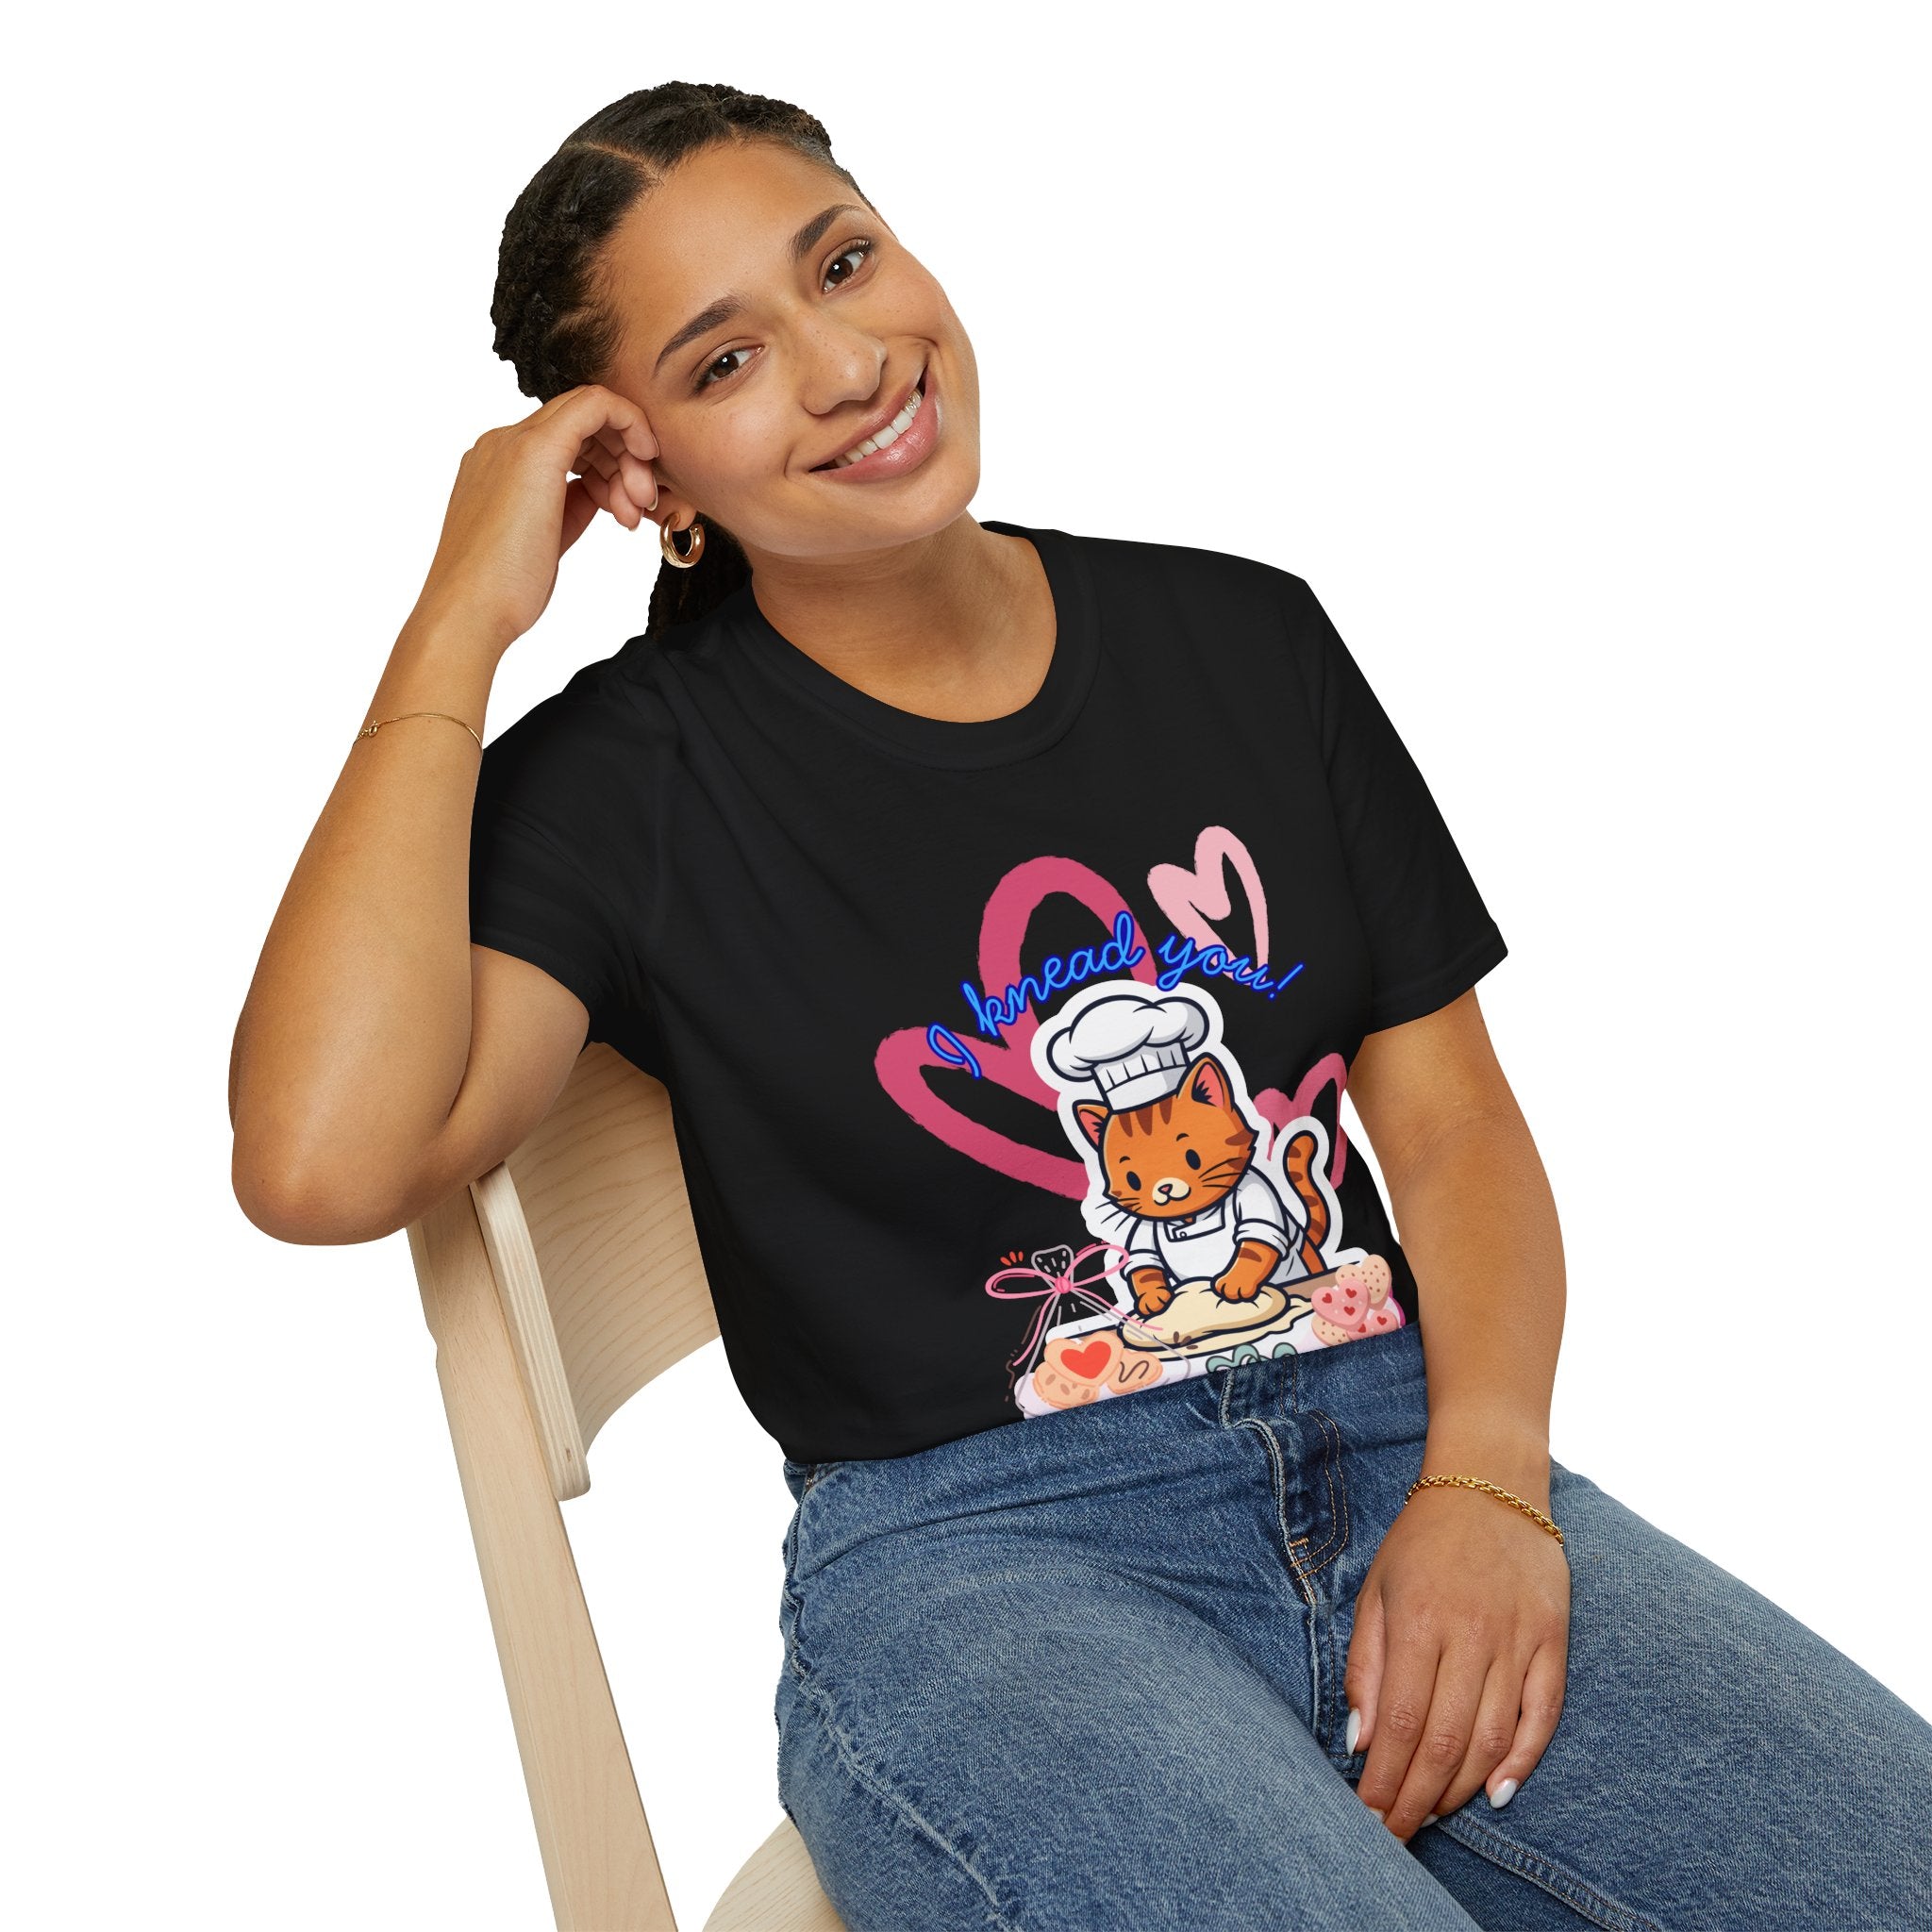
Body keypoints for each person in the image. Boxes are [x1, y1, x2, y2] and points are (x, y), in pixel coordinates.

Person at [228, 81, 1932, 1932]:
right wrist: (459, 619)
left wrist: (1490, 1485)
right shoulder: (628, 783)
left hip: (1405, 1445)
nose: (846, 365)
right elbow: (320, 1161)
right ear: (651, 481)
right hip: (987, 1568)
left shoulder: (1245, 640)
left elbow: (1451, 1129)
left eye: (843, 264)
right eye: (725, 361)